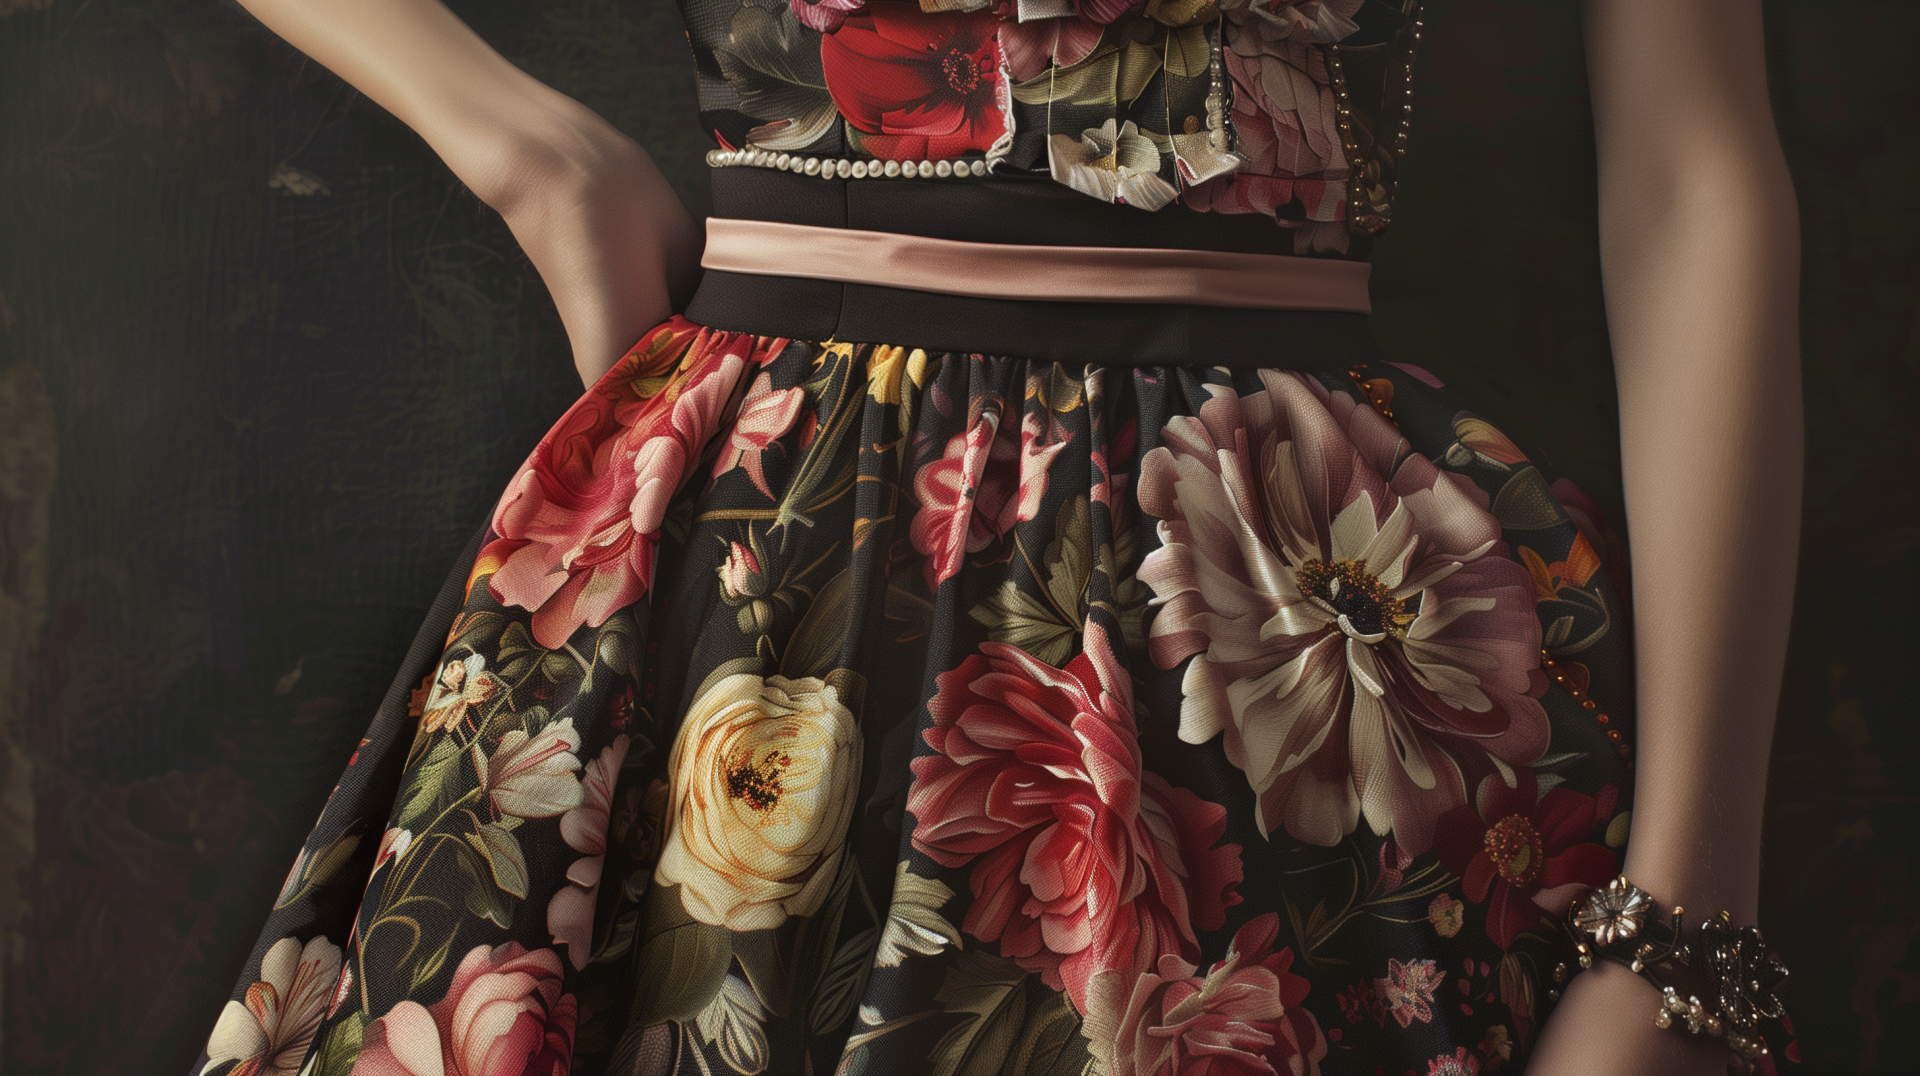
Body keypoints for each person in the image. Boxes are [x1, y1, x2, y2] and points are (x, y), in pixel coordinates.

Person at [190, 1, 1802, 1074]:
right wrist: (534, 158)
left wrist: (1680, 927)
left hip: (1296, 637)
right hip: (748, 578)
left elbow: (1693, 185)